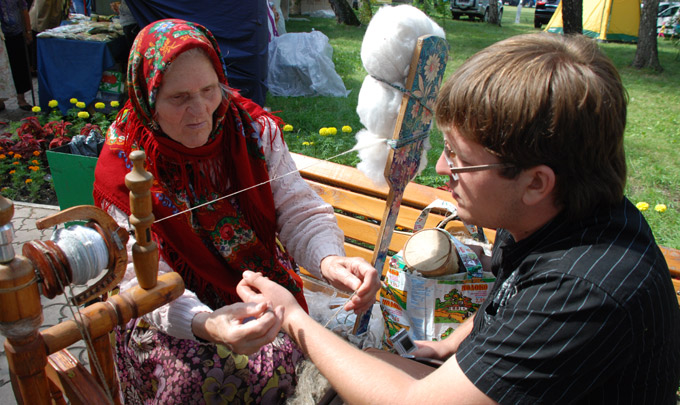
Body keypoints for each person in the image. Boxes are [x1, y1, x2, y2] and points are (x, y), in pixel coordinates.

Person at [238, 33, 680, 404]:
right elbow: (509, 295)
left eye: (459, 158)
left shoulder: (581, 290)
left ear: (535, 183)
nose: (443, 171)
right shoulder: (552, 218)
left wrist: (292, 316)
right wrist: (452, 345)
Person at [92, 19, 379, 403]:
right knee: (195, 384)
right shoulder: (123, 168)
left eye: (209, 90)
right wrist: (207, 323)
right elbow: (142, 281)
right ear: (147, 96)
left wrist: (329, 261)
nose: (199, 111)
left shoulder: (250, 131)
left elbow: (298, 209)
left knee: (306, 356)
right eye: (178, 98)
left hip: (257, 288)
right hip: (169, 313)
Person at [0, 0, 33, 111]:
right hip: (1, 35)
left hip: (16, 32)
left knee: (19, 65)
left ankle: (21, 98)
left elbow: (24, 9)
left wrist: (28, 31)